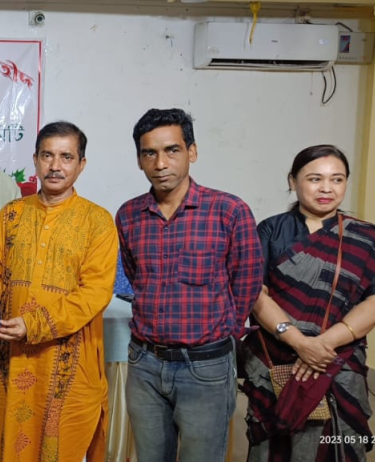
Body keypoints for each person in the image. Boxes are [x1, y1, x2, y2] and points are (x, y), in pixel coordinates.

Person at [115, 108, 263, 462]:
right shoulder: (129, 215)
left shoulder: (229, 211)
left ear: (192, 152)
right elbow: (135, 276)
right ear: (139, 160)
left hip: (205, 366)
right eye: (150, 153)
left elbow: (247, 281)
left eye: (172, 150)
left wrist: (221, 336)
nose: (160, 163)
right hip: (144, 363)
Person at [242, 145, 375, 462]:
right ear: (293, 181)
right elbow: (255, 294)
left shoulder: (365, 238)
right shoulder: (271, 230)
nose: (327, 188)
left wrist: (322, 345)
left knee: (336, 443)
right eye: (315, 178)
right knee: (273, 447)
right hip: (276, 357)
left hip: (337, 358)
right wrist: (300, 343)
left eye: (337, 179)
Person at [0, 121, 117, 462]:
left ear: (81, 164)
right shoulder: (10, 216)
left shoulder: (98, 222)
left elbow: (94, 293)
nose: (55, 166)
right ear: (35, 160)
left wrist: (33, 324)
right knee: (9, 440)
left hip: (70, 365)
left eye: (66, 157)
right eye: (47, 155)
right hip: (13, 360)